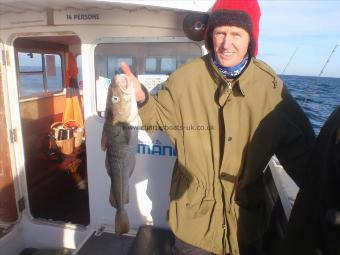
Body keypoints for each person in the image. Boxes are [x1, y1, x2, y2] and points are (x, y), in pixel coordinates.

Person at [120, 0, 315, 254]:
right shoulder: (184, 79)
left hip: (245, 224)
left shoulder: (272, 89)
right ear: (210, 35)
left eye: (237, 34)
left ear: (251, 39)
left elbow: (305, 156)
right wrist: (142, 99)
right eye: (220, 32)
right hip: (193, 224)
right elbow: (156, 119)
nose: (226, 43)